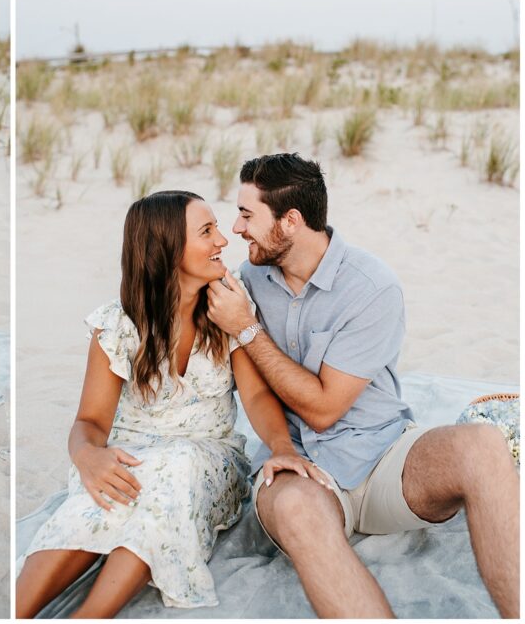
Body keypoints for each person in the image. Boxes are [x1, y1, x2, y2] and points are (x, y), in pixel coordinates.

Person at [207, 153, 519, 618]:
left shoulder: (371, 287)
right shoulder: (248, 282)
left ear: (290, 222)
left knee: (480, 446)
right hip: (302, 472)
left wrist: (250, 330)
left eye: (248, 214)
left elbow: (324, 409)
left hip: (383, 459)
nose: (236, 227)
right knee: (295, 510)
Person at [16, 190, 319, 618]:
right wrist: (88, 456)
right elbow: (89, 420)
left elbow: (254, 395)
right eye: (207, 231)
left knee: (171, 471)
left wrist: (282, 448)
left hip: (205, 458)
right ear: (167, 249)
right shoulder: (118, 325)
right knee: (98, 502)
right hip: (134, 452)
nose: (222, 241)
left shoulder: (227, 308)